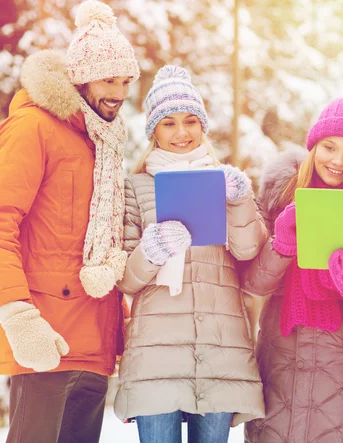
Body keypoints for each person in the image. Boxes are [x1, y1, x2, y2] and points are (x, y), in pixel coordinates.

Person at [0, 1, 139, 442]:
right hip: (46, 338)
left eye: (126, 80)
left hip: (95, 343)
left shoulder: (104, 143)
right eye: (108, 79)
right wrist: (19, 317)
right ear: (80, 79)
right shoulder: (32, 128)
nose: (118, 91)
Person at [113, 65, 266, 443]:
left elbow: (249, 250)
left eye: (191, 121)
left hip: (220, 346)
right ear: (153, 132)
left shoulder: (224, 180)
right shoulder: (134, 187)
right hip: (156, 352)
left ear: (203, 127)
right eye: (168, 123)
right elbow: (125, 279)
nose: (182, 133)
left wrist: (239, 200)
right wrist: (152, 250)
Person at [242, 98, 343, 443]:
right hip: (281, 368)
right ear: (313, 146)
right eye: (330, 147)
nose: (338, 161)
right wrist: (282, 245)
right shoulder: (277, 199)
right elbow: (253, 285)